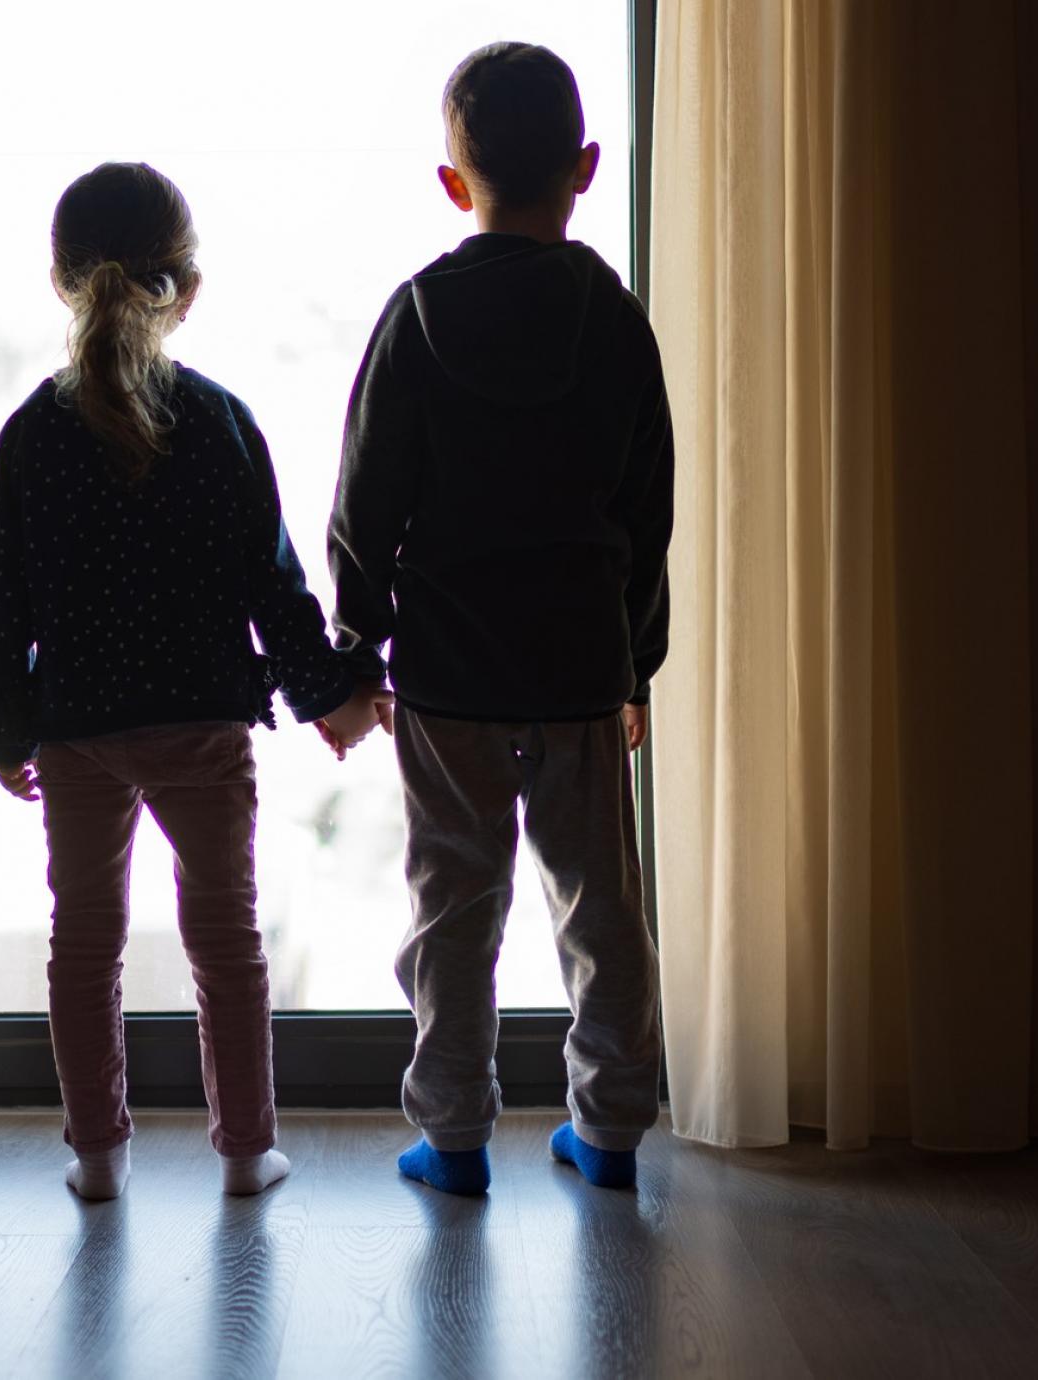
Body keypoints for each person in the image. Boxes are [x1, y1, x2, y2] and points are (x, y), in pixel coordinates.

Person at [0, 162, 390, 1201]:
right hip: (201, 726)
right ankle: (247, 1151)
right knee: (225, 940)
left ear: (61, 281)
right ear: (187, 288)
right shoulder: (219, 423)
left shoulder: (30, 433)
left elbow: (4, 606)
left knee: (84, 945)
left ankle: (98, 1156)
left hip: (76, 729)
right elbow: (276, 588)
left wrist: (5, 733)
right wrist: (332, 697)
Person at [329, 43, 675, 1194]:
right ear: (583, 168)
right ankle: (611, 1130)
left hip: (447, 674)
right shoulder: (614, 319)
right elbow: (644, 507)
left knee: (452, 908)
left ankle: (455, 1137)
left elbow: (362, 503)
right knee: (599, 910)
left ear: (450, 181)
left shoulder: (418, 316)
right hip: (578, 664)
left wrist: (356, 646)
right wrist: (636, 666)